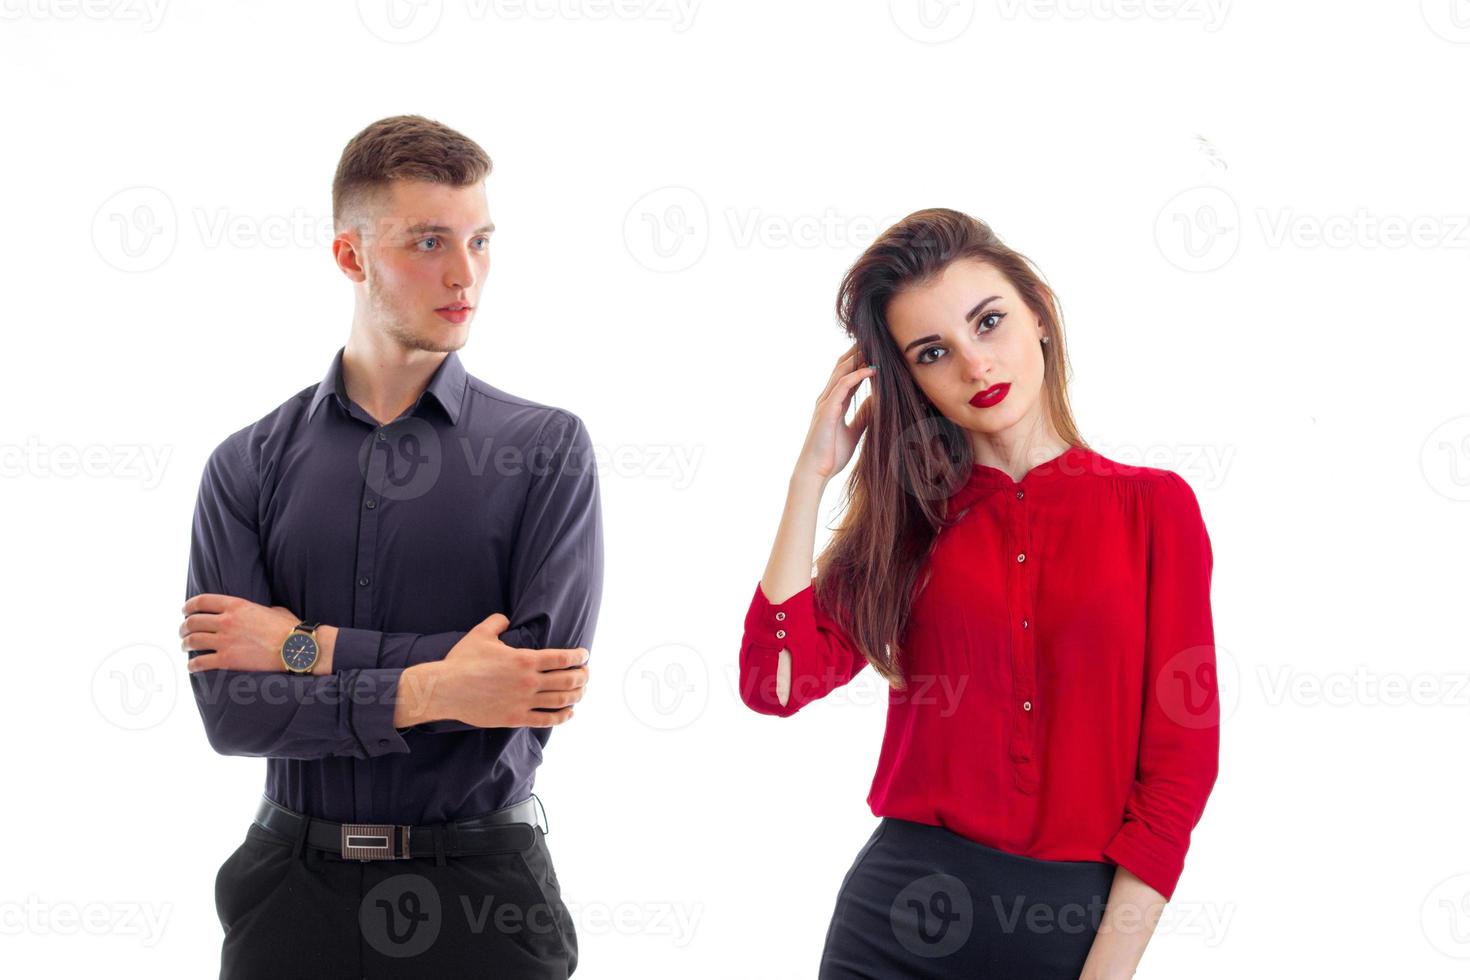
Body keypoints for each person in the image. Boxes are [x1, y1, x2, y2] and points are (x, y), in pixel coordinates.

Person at [737, 208, 1219, 979]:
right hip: (893, 920)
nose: (974, 365)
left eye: (988, 322)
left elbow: (1180, 768)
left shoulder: (1155, 509)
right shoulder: (910, 527)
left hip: (1073, 926)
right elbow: (774, 682)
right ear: (912, 378)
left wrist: (1108, 970)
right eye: (934, 352)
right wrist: (810, 477)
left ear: (1040, 314)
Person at [179, 114, 603, 979]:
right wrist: (440, 685)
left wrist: (305, 647)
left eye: (481, 240)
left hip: (485, 895)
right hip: (289, 896)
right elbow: (235, 713)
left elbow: (533, 685)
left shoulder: (548, 449)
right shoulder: (245, 464)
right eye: (429, 242)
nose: (466, 274)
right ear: (351, 256)